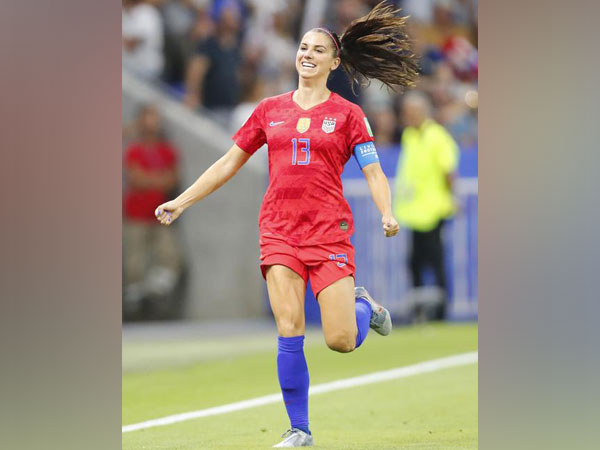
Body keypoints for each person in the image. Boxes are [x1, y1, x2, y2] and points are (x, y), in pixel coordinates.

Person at [155, 2, 418, 447]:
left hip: (328, 232)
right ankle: (300, 429)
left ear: (335, 62)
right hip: (278, 230)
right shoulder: (269, 110)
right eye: (302, 47)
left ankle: (364, 308)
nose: (307, 54)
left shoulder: (349, 115)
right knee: (289, 325)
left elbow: (373, 170)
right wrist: (182, 201)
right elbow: (227, 163)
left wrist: (386, 212)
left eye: (318, 49)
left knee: (339, 340)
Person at [393, 91, 459, 321]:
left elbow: (449, 172)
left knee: (435, 261)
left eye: (411, 112)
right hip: (415, 211)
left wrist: (452, 199)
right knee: (415, 262)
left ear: (422, 112)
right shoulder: (410, 135)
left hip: (434, 209)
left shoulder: (437, 136)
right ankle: (420, 310)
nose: (407, 117)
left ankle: (441, 313)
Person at [123, 104, 183, 316]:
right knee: (134, 262)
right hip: (136, 213)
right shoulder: (134, 150)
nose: (152, 122)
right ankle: (134, 306)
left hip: (161, 214)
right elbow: (135, 179)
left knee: (170, 256)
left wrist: (150, 180)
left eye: (155, 117)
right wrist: (160, 179)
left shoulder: (167, 150)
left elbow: (173, 180)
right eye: (148, 117)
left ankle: (155, 297)